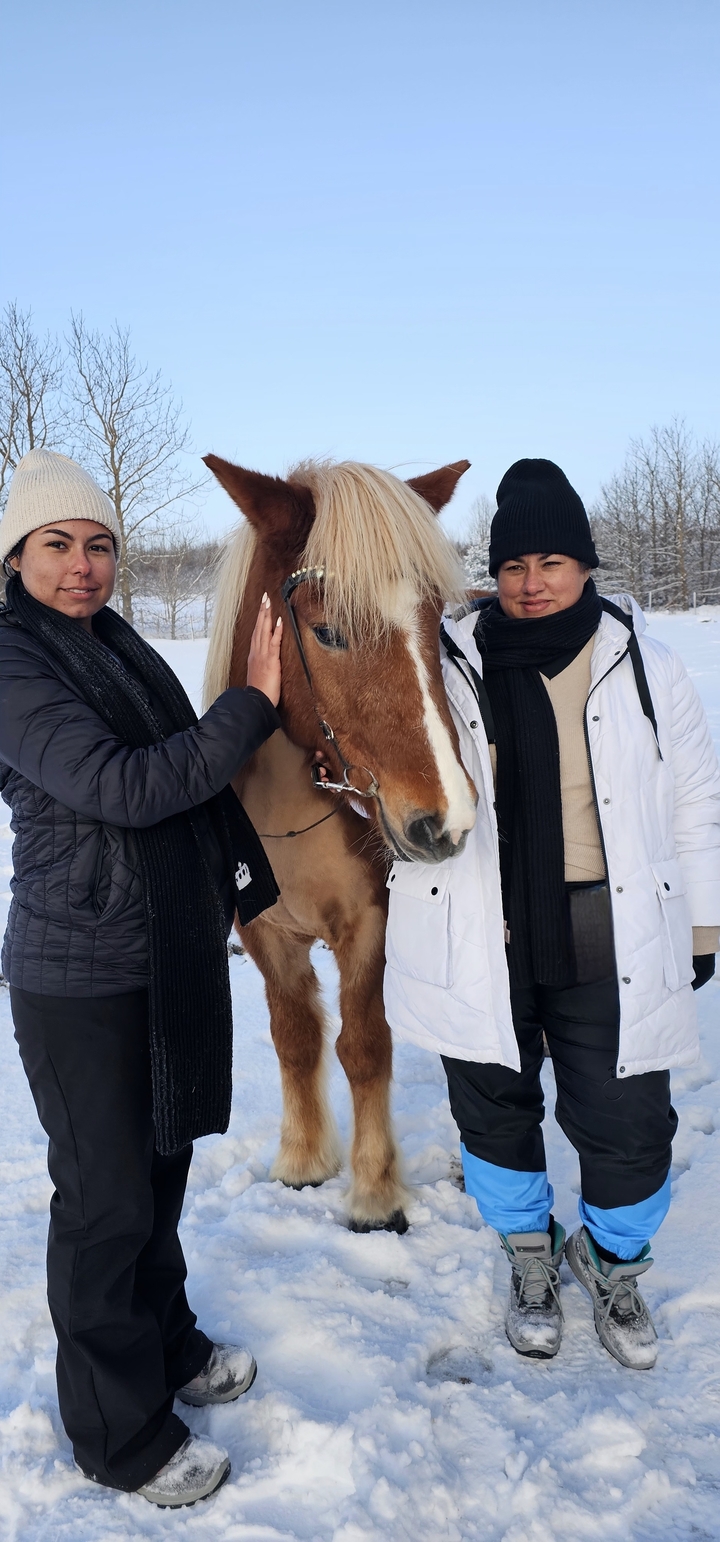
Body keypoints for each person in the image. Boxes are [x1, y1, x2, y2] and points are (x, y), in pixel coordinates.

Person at [384, 458, 720, 1369]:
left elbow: (694, 799)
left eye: (552, 565)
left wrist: (703, 924)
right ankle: (528, 1252)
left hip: (605, 924)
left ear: (586, 567)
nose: (531, 587)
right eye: (514, 567)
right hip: (477, 924)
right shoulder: (446, 658)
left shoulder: (643, 661)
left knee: (630, 1120)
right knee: (492, 1105)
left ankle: (610, 1258)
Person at [0, 448, 283, 1505]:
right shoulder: (13, 660)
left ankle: (166, 1349)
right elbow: (126, 787)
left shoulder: (108, 643)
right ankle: (121, 1438)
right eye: (57, 545)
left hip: (153, 951)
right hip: (75, 978)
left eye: (99, 544)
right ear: (16, 557)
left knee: (157, 1181)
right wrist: (249, 704)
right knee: (105, 1204)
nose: (83, 566)